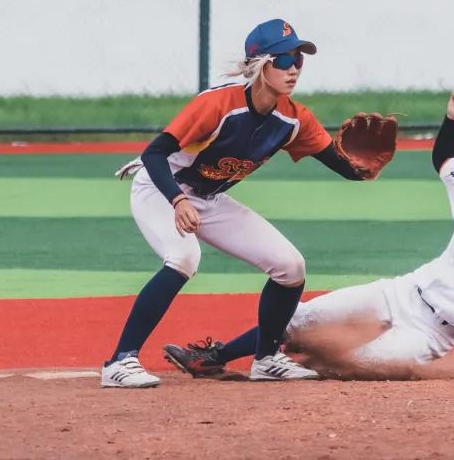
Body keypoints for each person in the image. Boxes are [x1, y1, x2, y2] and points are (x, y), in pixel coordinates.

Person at [162, 90, 454, 379]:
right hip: (400, 292)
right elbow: (445, 159)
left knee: (356, 364)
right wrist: (452, 119)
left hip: (430, 333)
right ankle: (214, 358)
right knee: (299, 317)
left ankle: (299, 363)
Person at [101, 19, 377, 388]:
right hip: (160, 187)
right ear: (260, 65)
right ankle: (120, 361)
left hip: (209, 198)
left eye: (298, 58)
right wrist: (178, 199)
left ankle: (265, 358)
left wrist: (364, 168)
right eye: (283, 59)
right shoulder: (217, 104)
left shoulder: (294, 119)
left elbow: (343, 166)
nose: (293, 67)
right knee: (184, 258)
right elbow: (154, 154)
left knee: (290, 266)